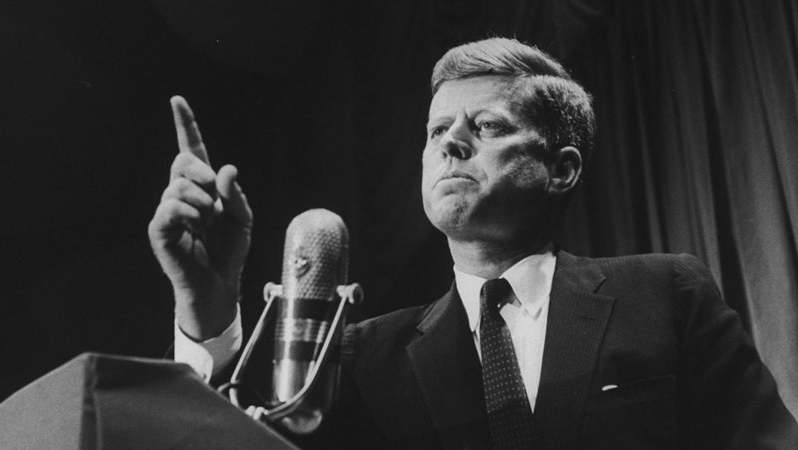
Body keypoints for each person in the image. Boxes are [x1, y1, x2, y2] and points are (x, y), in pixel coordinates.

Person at [149, 38, 798, 448]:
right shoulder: (360, 358)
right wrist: (206, 306)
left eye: (486, 125)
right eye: (436, 131)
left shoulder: (665, 292)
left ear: (561, 169)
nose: (450, 143)